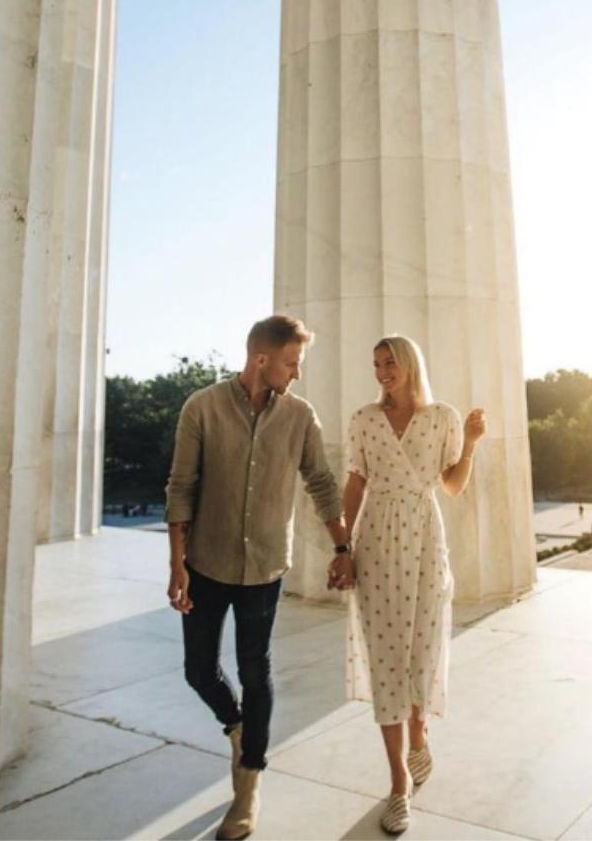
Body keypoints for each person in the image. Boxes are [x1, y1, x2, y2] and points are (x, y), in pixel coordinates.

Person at [164, 316, 352, 841]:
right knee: (199, 670)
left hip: (265, 565)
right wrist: (177, 561)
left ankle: (247, 787)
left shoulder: (299, 415)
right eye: (291, 363)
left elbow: (321, 481)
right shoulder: (201, 407)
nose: (296, 374)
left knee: (255, 670)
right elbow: (181, 486)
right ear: (262, 359)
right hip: (205, 561)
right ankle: (240, 728)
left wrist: (342, 545)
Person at [340, 335, 487, 835]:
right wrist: (343, 548)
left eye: (390, 363)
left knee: (422, 649)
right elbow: (355, 482)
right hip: (377, 538)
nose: (382, 372)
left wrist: (468, 445)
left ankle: (419, 731)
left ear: (410, 365)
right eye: (376, 364)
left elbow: (452, 484)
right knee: (385, 658)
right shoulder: (363, 419)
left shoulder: (441, 416)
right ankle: (399, 782)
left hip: (425, 538)